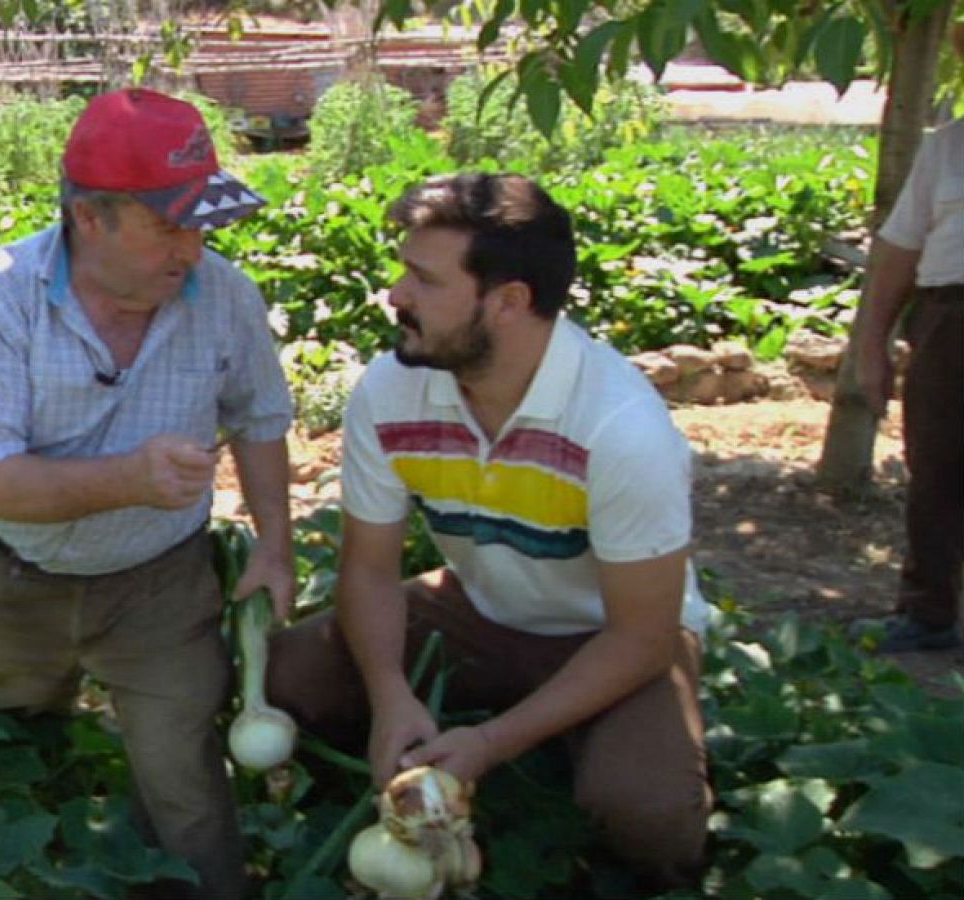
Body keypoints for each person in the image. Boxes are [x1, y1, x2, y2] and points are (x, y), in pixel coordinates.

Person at [266, 173, 713, 887]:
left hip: (607, 637)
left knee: (649, 814)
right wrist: (389, 697)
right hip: (477, 609)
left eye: (422, 279)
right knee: (284, 671)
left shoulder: (621, 426)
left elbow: (643, 636)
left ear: (508, 302)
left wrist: (492, 743)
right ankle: (424, 747)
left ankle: (556, 745)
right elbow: (371, 571)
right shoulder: (391, 390)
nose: (395, 295)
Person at [0, 88, 295, 899]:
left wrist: (273, 544)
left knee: (185, 786)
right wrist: (129, 478)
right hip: (15, 580)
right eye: (171, 226)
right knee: (8, 742)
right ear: (91, 220)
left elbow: (261, 418)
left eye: (202, 225)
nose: (192, 250)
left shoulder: (226, 297)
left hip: (160, 583)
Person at [853, 113, 964, 654]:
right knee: (938, 465)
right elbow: (899, 249)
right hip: (950, 318)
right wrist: (873, 343)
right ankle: (929, 611)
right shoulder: (947, 147)